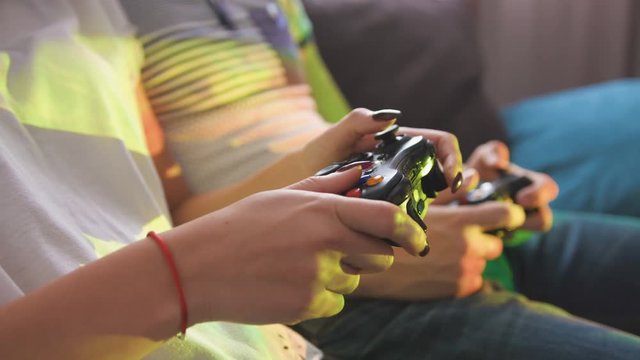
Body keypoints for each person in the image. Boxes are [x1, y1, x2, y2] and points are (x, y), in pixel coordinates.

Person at [119, 0, 640, 359]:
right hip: (327, 279)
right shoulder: (101, 19)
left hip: (414, 222)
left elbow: (347, 130)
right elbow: (164, 215)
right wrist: (357, 248)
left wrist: (452, 186)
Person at [0, 1, 463, 359]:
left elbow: (165, 204)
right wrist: (190, 274)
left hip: (248, 338)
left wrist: (319, 158)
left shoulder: (91, 12)